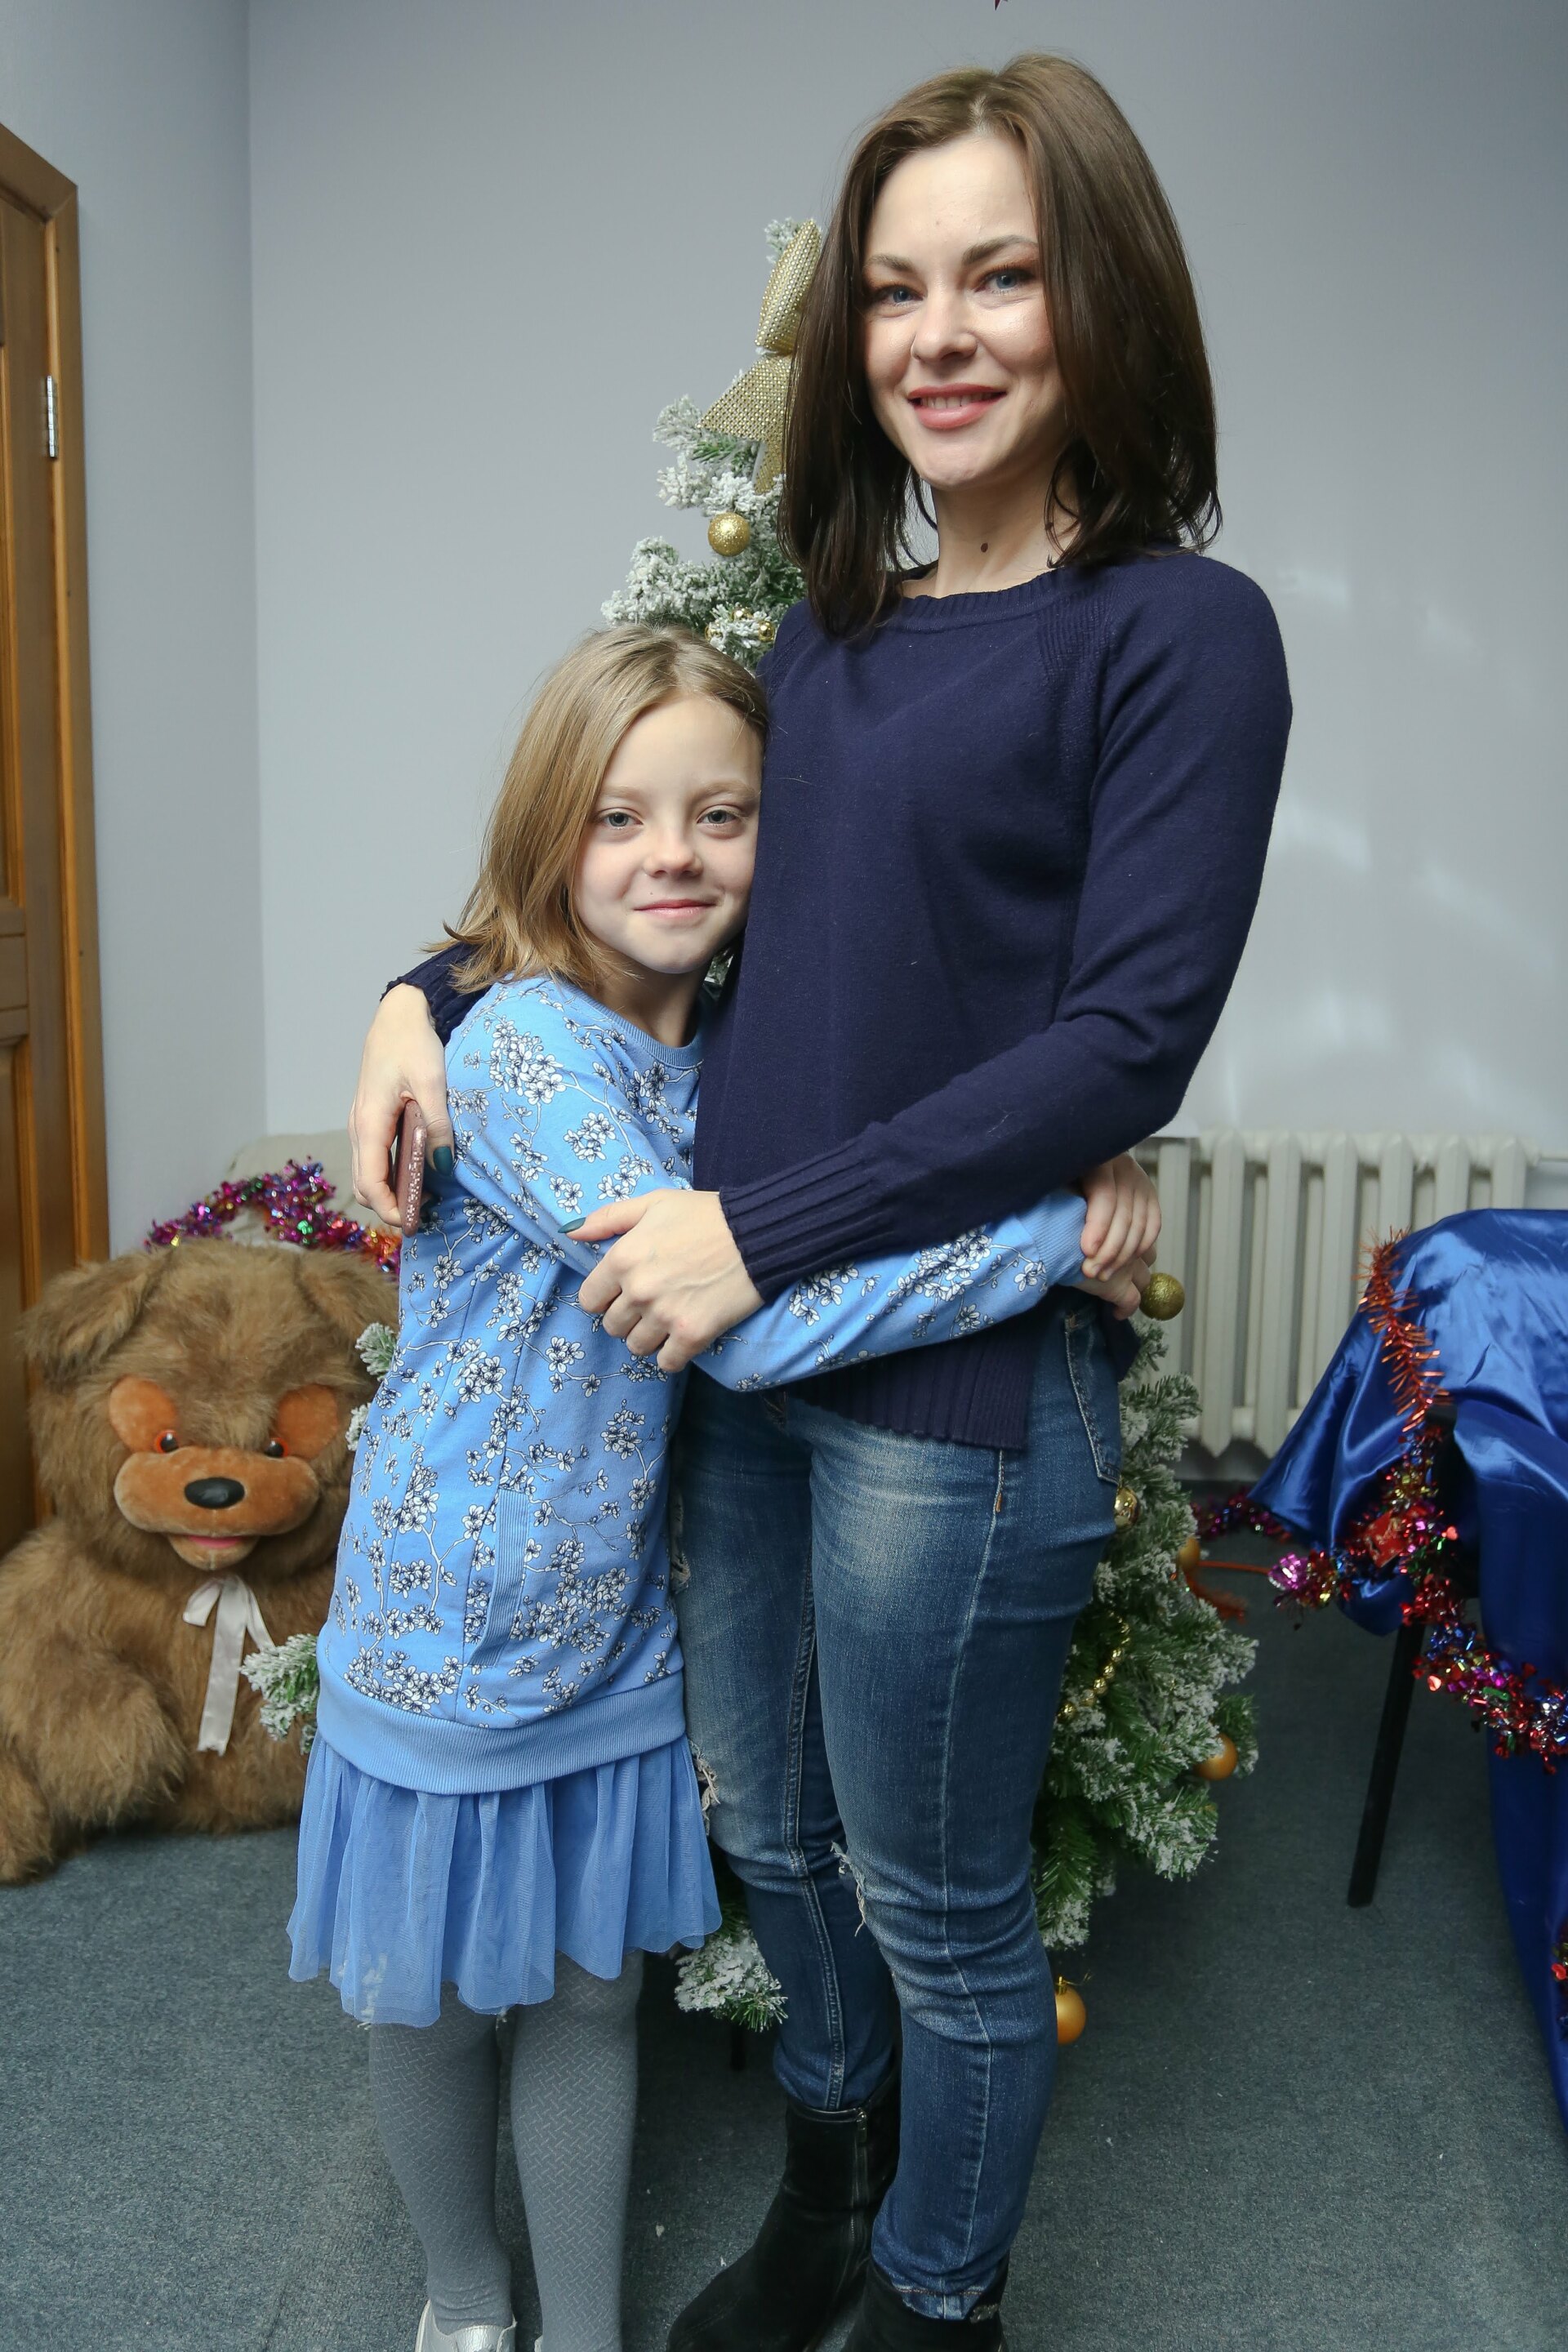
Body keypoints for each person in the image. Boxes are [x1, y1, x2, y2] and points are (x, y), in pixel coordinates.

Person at [350, 54, 1290, 2352]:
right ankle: (830, 2191)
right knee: (772, 1839)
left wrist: (770, 1231)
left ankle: (941, 2301)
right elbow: (643, 889)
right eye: (894, 288)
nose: (937, 334)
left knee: (943, 1902)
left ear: (1102, 302)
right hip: (746, 1377)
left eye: (1001, 275)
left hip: (952, 1403)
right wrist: (417, 994)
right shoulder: (832, 641)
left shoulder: (1182, 633)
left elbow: (1121, 1042)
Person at [298, 623, 1154, 2352]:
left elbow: (897, 1149)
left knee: (590, 2000)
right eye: (617, 818)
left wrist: (1064, 1141)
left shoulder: (736, 1052)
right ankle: (465, 2308)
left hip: (615, 1621)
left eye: (722, 814)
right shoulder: (525, 1056)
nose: (671, 856)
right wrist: (1053, 1243)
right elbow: (751, 1332)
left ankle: (586, 2333)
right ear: (551, 832)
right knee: (434, 2004)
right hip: (445, 1627)